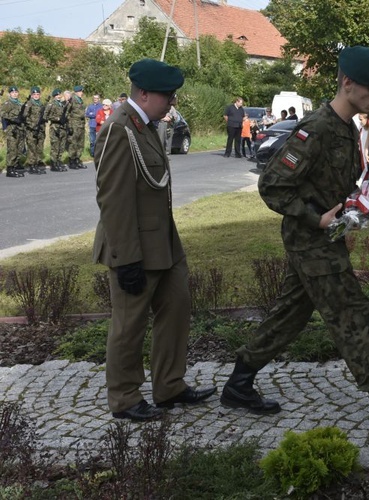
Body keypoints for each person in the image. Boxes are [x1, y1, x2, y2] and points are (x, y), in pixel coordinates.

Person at [220, 46, 369, 445]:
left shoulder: (347, 128)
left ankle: (239, 382)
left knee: (289, 315)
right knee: (355, 318)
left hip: (326, 238)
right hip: (312, 242)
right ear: (347, 84)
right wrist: (315, 217)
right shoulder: (317, 128)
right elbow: (272, 186)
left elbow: (333, 184)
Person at [93, 58, 216, 422]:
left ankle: (169, 386)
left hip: (164, 244)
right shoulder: (119, 129)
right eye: (167, 96)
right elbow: (113, 199)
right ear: (144, 94)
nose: (172, 103)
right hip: (134, 248)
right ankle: (125, 397)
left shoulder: (144, 126)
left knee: (176, 309)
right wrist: (125, 257)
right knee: (129, 326)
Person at [1, 86, 26, 177]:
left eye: (16, 92)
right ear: (10, 94)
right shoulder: (8, 103)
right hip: (12, 129)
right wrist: (13, 119)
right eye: (13, 92)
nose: (15, 94)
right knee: (12, 149)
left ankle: (15, 166)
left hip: (20, 129)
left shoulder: (20, 104)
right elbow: (2, 113)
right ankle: (10, 169)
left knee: (19, 149)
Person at [24, 86, 47, 175]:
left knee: (39, 148)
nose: (36, 96)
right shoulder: (29, 104)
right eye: (34, 94)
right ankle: (31, 165)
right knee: (32, 148)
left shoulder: (41, 104)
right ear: (31, 95)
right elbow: (25, 117)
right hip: (31, 130)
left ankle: (37, 164)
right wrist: (32, 126)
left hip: (40, 130)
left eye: (38, 94)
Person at [45, 88, 69, 172]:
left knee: (61, 147)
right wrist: (57, 118)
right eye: (57, 95)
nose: (58, 96)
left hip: (62, 127)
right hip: (55, 127)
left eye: (59, 95)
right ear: (54, 96)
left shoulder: (62, 104)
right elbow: (46, 116)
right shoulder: (51, 104)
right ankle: (53, 164)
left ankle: (59, 162)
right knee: (55, 146)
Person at [67, 85, 87, 170]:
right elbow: (67, 113)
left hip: (81, 124)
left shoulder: (80, 100)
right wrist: (69, 125)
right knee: (73, 143)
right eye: (80, 91)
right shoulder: (72, 100)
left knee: (80, 143)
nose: (81, 93)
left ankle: (77, 159)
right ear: (76, 92)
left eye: (82, 91)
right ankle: (72, 160)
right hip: (74, 124)